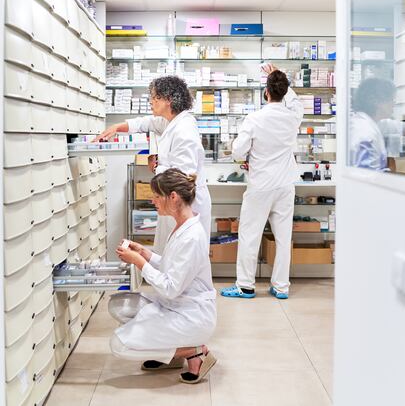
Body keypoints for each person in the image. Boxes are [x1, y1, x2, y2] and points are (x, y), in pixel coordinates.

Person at [109, 168, 217, 384]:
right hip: (177, 305)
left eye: (157, 196)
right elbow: (173, 266)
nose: (153, 200)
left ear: (173, 197)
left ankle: (192, 350)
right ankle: (172, 354)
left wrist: (138, 262)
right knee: (119, 305)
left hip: (191, 315)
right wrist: (145, 254)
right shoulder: (182, 226)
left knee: (119, 344)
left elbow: (170, 287)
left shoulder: (192, 237)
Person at [96, 76, 212, 252]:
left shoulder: (184, 130)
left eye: (155, 97)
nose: (151, 102)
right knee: (170, 255)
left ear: (169, 99)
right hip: (173, 200)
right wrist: (118, 127)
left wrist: (157, 166)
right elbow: (146, 122)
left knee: (183, 258)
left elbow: (184, 175)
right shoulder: (172, 121)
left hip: (185, 204)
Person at [221, 65, 303, 300]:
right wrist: (281, 77)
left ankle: (245, 286)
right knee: (283, 238)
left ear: (266, 92)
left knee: (250, 234)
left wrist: (249, 155)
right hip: (285, 185)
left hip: (261, 186)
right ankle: (280, 287)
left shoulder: (255, 118)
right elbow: (295, 101)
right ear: (284, 92)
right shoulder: (293, 117)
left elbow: (237, 152)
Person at [350, 78, 395, 170]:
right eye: (390, 99)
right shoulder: (365, 132)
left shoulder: (370, 123)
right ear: (376, 102)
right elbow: (365, 176)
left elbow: (398, 127)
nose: (393, 103)